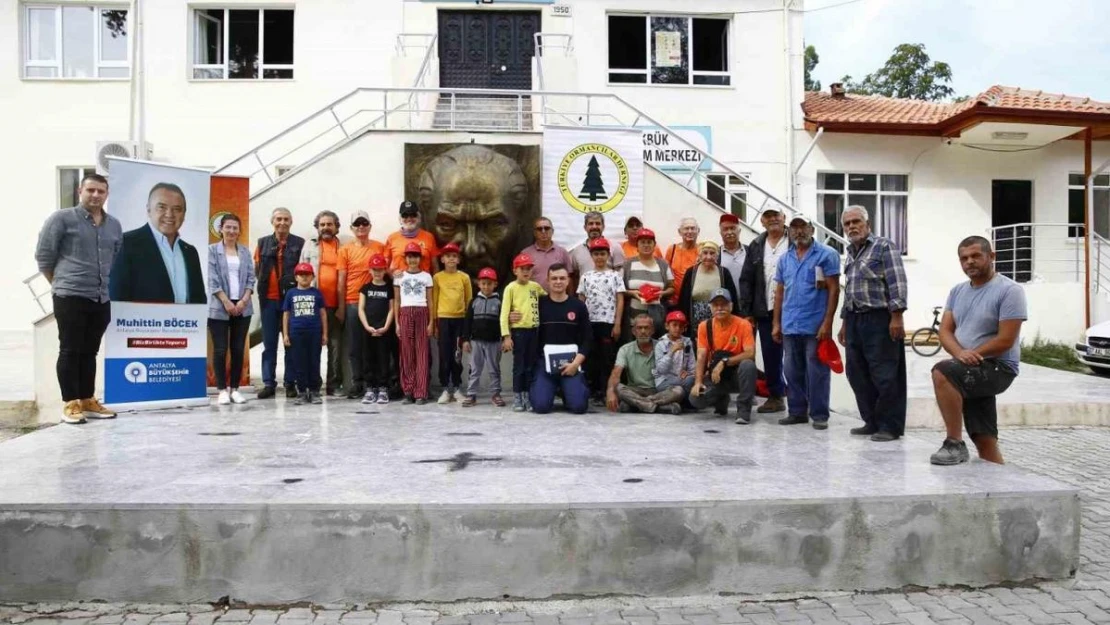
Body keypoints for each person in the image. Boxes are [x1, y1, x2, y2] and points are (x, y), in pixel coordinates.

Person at [930, 236, 1027, 466]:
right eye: (964, 258)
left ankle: (954, 443)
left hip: (998, 367)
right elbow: (945, 331)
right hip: (968, 366)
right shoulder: (957, 291)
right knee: (984, 440)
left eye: (976, 256)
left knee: (942, 372)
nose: (969, 262)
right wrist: (961, 354)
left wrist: (971, 355)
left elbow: (1006, 339)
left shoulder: (1010, 291)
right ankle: (999, 489)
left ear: (991, 256)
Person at [34, 173, 122, 423]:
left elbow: (115, 255)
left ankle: (87, 399)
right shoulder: (61, 219)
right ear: (80, 192)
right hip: (70, 295)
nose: (95, 195)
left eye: (100, 191)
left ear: (107, 194)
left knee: (90, 351)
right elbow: (44, 258)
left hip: (101, 297)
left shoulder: (114, 224)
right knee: (70, 349)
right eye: (90, 190)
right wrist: (61, 285)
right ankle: (70, 403)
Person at [838, 206, 909, 442]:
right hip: (855, 319)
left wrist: (897, 316)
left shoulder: (884, 246)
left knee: (885, 374)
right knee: (856, 373)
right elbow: (849, 289)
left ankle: (890, 426)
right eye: (847, 224)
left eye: (856, 221)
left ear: (867, 224)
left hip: (880, 318)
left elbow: (897, 281)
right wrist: (844, 322)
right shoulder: (850, 252)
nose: (851, 227)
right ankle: (871, 421)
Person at [772, 216, 841, 430]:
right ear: (789, 231)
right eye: (794, 228)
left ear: (812, 229)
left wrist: (827, 323)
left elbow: (834, 289)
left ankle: (819, 414)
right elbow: (779, 293)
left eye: (803, 227)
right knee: (791, 370)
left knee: (817, 370)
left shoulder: (826, 255)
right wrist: (776, 323)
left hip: (815, 324)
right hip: (790, 324)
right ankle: (797, 412)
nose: (799, 232)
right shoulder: (785, 259)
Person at [109, 182, 205, 304]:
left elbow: (199, 299)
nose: (169, 214)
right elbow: (117, 298)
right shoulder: (126, 244)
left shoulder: (190, 252)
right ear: (149, 209)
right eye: (162, 207)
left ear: (184, 214)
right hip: (141, 322)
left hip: (183, 322)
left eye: (177, 209)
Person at [738, 208, 789, 414]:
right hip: (764, 309)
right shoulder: (756, 245)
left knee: (798, 356)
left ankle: (802, 398)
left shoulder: (795, 240)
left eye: (776, 215)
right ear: (762, 221)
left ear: (784, 218)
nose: (773, 219)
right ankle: (776, 396)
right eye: (768, 217)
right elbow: (746, 279)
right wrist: (748, 311)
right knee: (770, 356)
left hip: (794, 308)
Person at [254, 208, 304, 399]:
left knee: (290, 343)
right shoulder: (262, 243)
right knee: (269, 344)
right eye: (278, 219)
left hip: (290, 302)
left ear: (291, 222)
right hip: (268, 301)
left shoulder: (298, 243)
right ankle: (269, 384)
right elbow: (258, 269)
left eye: (286, 219)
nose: (282, 222)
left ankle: (290, 383)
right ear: (272, 221)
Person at [207, 213, 255, 406]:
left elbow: (251, 278)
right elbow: (212, 279)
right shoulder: (212, 251)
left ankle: (235, 389)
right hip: (219, 306)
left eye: (235, 228)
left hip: (242, 306)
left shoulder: (244, 252)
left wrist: (243, 300)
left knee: (237, 349)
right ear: (221, 229)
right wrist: (226, 302)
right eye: (228, 227)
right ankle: (221, 390)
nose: (232, 231)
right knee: (220, 350)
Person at [530, 264, 592, 415]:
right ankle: (549, 388)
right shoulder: (538, 304)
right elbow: (524, 323)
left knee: (578, 407)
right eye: (554, 278)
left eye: (562, 278)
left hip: (571, 364)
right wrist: (514, 316)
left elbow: (588, 339)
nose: (558, 281)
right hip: (544, 364)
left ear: (568, 281)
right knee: (540, 407)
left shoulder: (578, 306)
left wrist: (575, 363)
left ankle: (567, 390)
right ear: (548, 281)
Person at [337, 210, 386, 399]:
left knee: (378, 345)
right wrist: (341, 308)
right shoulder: (345, 250)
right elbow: (341, 280)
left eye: (364, 223)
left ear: (370, 226)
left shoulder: (380, 247)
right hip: (352, 302)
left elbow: (387, 272)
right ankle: (358, 382)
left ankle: (379, 383)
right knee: (355, 346)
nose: (361, 227)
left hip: (377, 302)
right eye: (357, 224)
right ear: (351, 228)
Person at [690, 288, 758, 423]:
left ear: (731, 306)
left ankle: (743, 410)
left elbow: (750, 353)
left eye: (724, 304)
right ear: (710, 308)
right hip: (716, 376)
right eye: (716, 305)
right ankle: (721, 398)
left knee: (748, 365)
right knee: (696, 399)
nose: (720, 308)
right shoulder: (704, 326)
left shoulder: (743, 324)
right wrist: (698, 382)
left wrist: (724, 361)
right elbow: (701, 356)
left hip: (737, 375)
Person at [300, 210, 348, 395]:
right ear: (317, 227)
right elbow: (301, 272)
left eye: (329, 224)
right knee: (313, 347)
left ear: (336, 227)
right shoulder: (309, 246)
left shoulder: (344, 247)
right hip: (313, 305)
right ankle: (313, 385)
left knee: (335, 348)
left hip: (336, 306)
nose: (326, 228)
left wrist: (342, 307)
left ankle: (334, 385)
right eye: (322, 224)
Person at [577, 237, 625, 404]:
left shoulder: (615, 276)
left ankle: (606, 391)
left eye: (602, 254)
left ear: (608, 255)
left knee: (606, 358)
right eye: (596, 254)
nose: (599, 257)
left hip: (608, 323)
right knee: (590, 357)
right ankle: (591, 391)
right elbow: (581, 300)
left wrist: (617, 324)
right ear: (591, 256)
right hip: (590, 323)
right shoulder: (586, 276)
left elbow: (620, 300)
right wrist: (580, 324)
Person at [606, 314, 684, 414]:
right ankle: (659, 408)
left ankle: (637, 405)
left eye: (646, 328)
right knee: (618, 388)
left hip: (658, 391)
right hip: (635, 390)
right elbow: (616, 373)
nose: (643, 331)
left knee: (679, 390)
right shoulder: (625, 349)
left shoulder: (663, 346)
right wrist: (610, 391)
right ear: (633, 331)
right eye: (639, 328)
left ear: (652, 330)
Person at [501, 253, 546, 412]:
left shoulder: (535, 287)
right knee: (519, 366)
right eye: (522, 269)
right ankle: (517, 396)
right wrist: (506, 335)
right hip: (519, 332)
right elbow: (504, 313)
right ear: (515, 271)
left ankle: (528, 395)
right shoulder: (510, 288)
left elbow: (546, 300)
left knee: (531, 365)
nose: (526, 272)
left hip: (534, 331)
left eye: (528, 269)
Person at [394, 242, 435, 404]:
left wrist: (431, 322)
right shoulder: (399, 276)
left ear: (420, 258)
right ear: (405, 258)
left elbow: (430, 301)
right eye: (410, 256)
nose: (413, 260)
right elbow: (396, 301)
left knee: (422, 353)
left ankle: (421, 392)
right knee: (406, 354)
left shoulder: (426, 276)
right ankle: (408, 391)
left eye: (416, 256)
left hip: (421, 312)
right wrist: (397, 323)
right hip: (404, 313)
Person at [433, 242, 473, 404]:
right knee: (444, 356)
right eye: (448, 256)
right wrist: (434, 323)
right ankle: (445, 389)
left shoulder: (464, 277)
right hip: (443, 320)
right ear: (442, 259)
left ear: (458, 260)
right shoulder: (437, 277)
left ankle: (456, 388)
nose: (451, 259)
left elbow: (469, 301)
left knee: (457, 356)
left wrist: (467, 327)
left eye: (454, 256)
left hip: (459, 321)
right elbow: (434, 301)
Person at [282, 263, 327, 406]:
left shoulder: (316, 293)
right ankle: (301, 391)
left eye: (307, 274)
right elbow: (286, 314)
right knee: (299, 362)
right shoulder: (291, 293)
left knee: (314, 361)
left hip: (314, 332)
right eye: (301, 275)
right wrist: (285, 334)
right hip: (296, 333)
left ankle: (314, 390)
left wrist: (325, 333)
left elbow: (323, 313)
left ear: (313, 277)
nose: (304, 277)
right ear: (296, 277)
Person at [461, 267, 505, 407]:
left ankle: (495, 394)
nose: (486, 286)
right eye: (483, 283)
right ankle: (471, 394)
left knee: (494, 369)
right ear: (479, 284)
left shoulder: (499, 302)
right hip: (476, 342)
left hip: (493, 342)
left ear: (495, 284)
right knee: (474, 369)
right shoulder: (473, 302)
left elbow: (503, 322)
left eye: (489, 283)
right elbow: (467, 322)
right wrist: (466, 339)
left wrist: (504, 339)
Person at [677, 240, 739, 336]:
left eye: (712, 253)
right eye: (705, 253)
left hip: (718, 318)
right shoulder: (691, 272)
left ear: (717, 256)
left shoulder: (724, 272)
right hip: (694, 322)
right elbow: (683, 299)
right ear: (700, 255)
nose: (708, 257)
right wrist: (682, 321)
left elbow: (732, 297)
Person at [622, 228, 673, 340]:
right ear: (637, 245)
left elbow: (672, 288)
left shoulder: (663, 264)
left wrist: (662, 293)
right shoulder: (627, 264)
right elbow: (619, 289)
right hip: (633, 320)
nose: (646, 245)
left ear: (654, 244)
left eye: (649, 242)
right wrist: (631, 293)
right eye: (642, 242)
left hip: (657, 319)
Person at [357, 254, 395, 405]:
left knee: (383, 359)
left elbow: (392, 309)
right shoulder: (365, 288)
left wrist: (386, 326)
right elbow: (361, 309)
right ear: (370, 271)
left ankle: (383, 388)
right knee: (368, 358)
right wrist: (367, 326)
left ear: (385, 270)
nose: (378, 272)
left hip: (384, 330)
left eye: (380, 269)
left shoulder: (389, 288)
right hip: (368, 330)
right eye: (375, 269)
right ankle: (370, 389)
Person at [569, 211, 626, 291]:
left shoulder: (615, 247)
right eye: (591, 224)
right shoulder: (577, 251)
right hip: (585, 300)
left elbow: (620, 277)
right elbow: (575, 277)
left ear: (603, 227)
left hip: (609, 299)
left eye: (598, 223)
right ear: (585, 227)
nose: (594, 226)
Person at [653, 310, 696, 410]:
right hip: (664, 381)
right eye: (674, 325)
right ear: (667, 326)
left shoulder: (687, 343)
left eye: (681, 326)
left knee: (690, 382)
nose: (678, 328)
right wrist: (672, 351)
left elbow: (693, 367)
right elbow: (661, 370)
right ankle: (649, 400)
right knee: (689, 385)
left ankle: (667, 405)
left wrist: (688, 373)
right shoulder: (660, 344)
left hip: (681, 381)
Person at [385, 200, 440, 276]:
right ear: (400, 219)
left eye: (413, 215)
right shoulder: (392, 238)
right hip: (399, 285)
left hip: (423, 285)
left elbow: (435, 267)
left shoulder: (429, 237)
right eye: (405, 215)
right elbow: (384, 266)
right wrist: (392, 274)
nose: (409, 218)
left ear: (418, 218)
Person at [520, 216, 571, 292]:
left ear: (552, 231)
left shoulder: (562, 252)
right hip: (533, 299)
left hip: (557, 299)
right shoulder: (525, 254)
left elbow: (570, 277)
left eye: (546, 228)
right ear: (534, 233)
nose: (543, 231)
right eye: (539, 229)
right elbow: (520, 279)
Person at [663, 218, 701, 306]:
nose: (690, 231)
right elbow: (665, 275)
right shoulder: (672, 250)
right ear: (680, 232)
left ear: (698, 231)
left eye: (693, 228)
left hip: (693, 302)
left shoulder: (702, 251)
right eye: (686, 228)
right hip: (673, 301)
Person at [718, 213, 746, 295]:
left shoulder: (750, 252)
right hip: (725, 304)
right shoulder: (716, 255)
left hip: (748, 304)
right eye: (725, 229)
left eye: (732, 228)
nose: (729, 232)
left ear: (739, 230)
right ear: (720, 232)